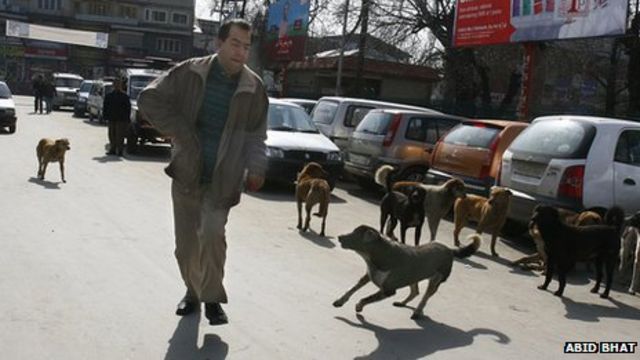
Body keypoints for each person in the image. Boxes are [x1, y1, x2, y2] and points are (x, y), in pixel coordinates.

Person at [137, 19, 268, 326]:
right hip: (186, 173)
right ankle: (192, 292)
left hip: (223, 179)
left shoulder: (253, 87)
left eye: (246, 47)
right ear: (219, 43)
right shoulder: (190, 72)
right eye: (235, 43)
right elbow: (149, 98)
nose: (241, 52)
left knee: (211, 233)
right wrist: (179, 131)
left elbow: (257, 134)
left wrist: (258, 166)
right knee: (185, 247)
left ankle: (211, 299)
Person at [103, 79, 131, 156]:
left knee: (120, 135)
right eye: (115, 84)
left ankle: (120, 151)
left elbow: (128, 108)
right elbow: (105, 107)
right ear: (113, 85)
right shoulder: (109, 96)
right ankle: (113, 149)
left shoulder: (125, 96)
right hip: (111, 118)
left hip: (121, 119)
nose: (117, 86)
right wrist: (105, 117)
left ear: (121, 86)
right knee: (111, 134)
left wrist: (127, 119)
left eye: (118, 84)